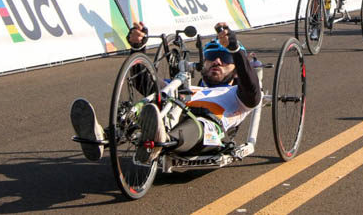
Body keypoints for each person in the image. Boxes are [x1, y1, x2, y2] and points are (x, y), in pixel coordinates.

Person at [70, 22, 262, 163]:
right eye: (212, 57)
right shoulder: (184, 85)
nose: (217, 62)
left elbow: (252, 89)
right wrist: (138, 48)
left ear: (236, 68)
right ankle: (100, 137)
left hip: (206, 127)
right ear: (202, 63)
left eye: (225, 58)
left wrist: (236, 51)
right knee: (152, 101)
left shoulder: (237, 94)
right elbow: (145, 82)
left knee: (201, 125)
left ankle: (161, 140)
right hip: (171, 114)